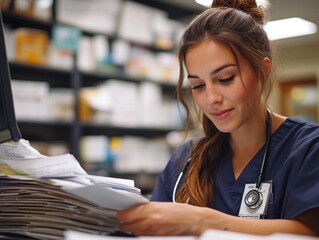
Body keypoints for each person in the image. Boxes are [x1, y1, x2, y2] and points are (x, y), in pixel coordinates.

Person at [116, 0, 319, 237]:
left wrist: (202, 222)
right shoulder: (187, 159)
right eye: (198, 85)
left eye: (225, 79)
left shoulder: (308, 149)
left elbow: (310, 232)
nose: (211, 98)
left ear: (263, 71)